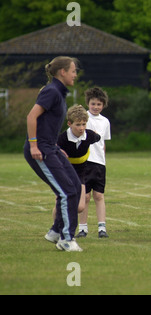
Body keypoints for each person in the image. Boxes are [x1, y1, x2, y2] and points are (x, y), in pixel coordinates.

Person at [24, 56, 83, 251]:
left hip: (51, 147)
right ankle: (66, 238)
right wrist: (34, 146)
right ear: (63, 72)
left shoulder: (59, 92)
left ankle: (55, 232)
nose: (75, 74)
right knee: (66, 191)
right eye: (73, 70)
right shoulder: (51, 91)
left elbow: (47, 125)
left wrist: (57, 148)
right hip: (41, 149)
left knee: (74, 186)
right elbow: (32, 117)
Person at [49, 105, 101, 220]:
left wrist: (96, 134)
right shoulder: (62, 139)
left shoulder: (89, 135)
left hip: (80, 173)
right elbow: (51, 147)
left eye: (83, 124)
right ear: (69, 124)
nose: (81, 128)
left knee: (80, 207)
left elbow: (97, 137)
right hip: (64, 171)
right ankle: (56, 229)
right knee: (61, 203)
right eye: (78, 125)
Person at [76, 87, 111, 238]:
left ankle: (102, 228)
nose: (96, 107)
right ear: (88, 104)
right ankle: (82, 228)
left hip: (99, 163)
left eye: (99, 104)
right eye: (93, 104)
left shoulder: (105, 121)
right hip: (84, 162)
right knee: (85, 197)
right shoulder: (83, 119)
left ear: (103, 105)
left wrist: (103, 160)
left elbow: (103, 143)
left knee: (99, 195)